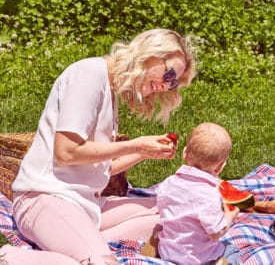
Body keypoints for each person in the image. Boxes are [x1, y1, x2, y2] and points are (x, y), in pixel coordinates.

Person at [1, 28, 196, 265]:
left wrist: (143, 152)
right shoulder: (89, 74)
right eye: (169, 75)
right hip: (46, 197)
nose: (167, 86)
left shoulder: (109, 87)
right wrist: (134, 144)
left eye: (174, 83)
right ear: (151, 53)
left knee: (171, 214)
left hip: (85, 204)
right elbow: (66, 152)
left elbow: (101, 167)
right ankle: (13, 258)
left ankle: (78, 247)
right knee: (102, 263)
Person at [156, 122, 240, 265]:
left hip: (168, 253)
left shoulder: (167, 183)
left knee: (158, 233)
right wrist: (229, 217)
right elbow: (215, 233)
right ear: (220, 166)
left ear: (184, 153)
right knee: (232, 250)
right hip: (200, 259)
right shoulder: (210, 195)